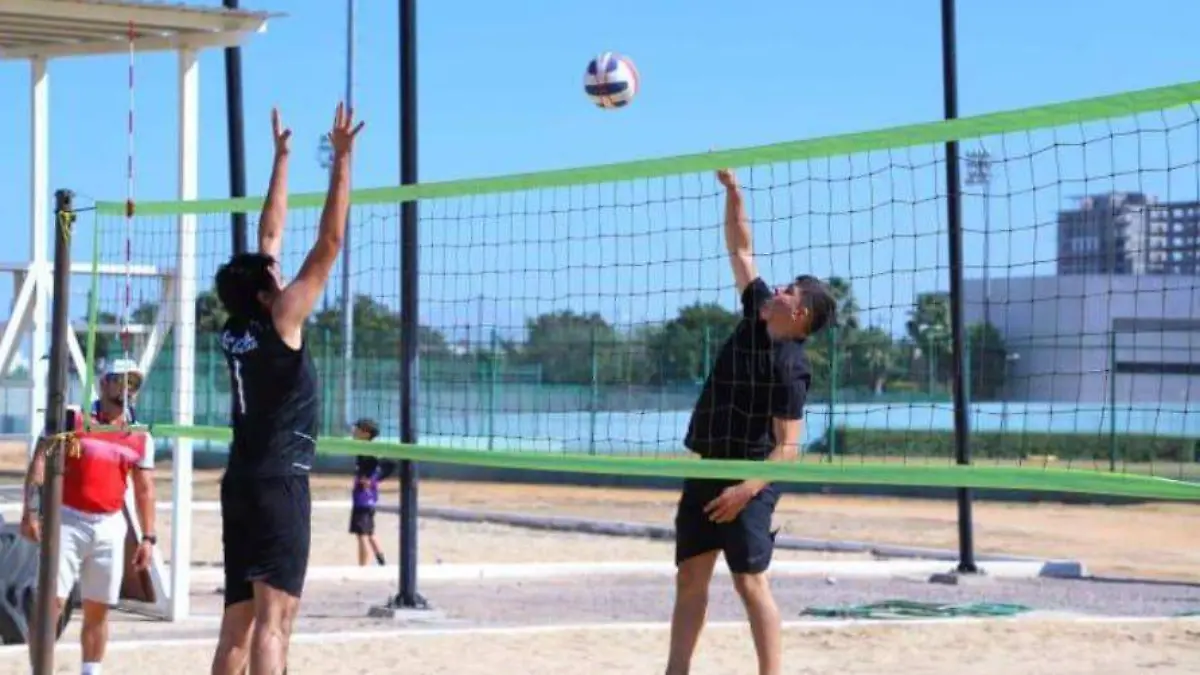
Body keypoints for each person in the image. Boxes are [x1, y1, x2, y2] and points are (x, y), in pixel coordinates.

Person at [209, 104, 364, 675]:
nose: (278, 271)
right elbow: (329, 243)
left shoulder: (235, 327)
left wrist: (282, 158)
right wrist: (342, 162)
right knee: (275, 626)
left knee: (236, 631)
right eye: (272, 275)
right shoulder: (281, 320)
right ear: (266, 291)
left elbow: (269, 233)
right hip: (278, 484)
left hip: (241, 482)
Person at [664, 168, 836, 675]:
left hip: (751, 477)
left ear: (801, 315)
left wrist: (746, 489)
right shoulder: (755, 312)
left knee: (749, 581)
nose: (778, 289)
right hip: (709, 464)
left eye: (791, 291)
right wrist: (734, 193)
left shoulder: (792, 366)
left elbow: (788, 448)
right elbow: (741, 250)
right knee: (690, 576)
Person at [19, 358, 157, 675]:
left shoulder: (139, 434)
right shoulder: (72, 417)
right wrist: (30, 511)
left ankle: (90, 671)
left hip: (109, 525)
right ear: (104, 383)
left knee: (98, 610)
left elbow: (144, 489)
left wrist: (148, 537)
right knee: (50, 605)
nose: (126, 388)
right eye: (120, 380)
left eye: (133, 382)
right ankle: (38, 670)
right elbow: (40, 461)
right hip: (67, 520)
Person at [347, 418, 395, 566]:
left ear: (366, 433)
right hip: (365, 497)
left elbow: (391, 464)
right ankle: (382, 562)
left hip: (364, 498)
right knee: (369, 533)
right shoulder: (363, 449)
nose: (353, 431)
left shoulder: (369, 450)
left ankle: (362, 568)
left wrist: (372, 480)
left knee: (361, 535)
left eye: (357, 429)